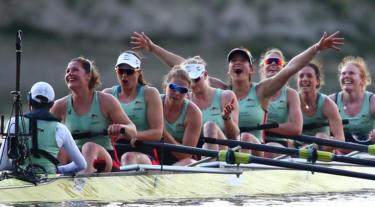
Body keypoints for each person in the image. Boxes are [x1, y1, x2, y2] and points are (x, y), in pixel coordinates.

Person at [130, 31, 344, 157]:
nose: (238, 63)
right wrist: (152, 47)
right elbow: (184, 67)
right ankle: (211, 168)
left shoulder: (262, 91)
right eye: (234, 61)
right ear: (229, 70)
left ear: (251, 70)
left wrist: (316, 47)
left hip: (254, 148)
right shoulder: (221, 90)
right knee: (211, 127)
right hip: (224, 149)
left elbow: (291, 68)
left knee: (246, 136)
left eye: (243, 61)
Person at [131, 32, 240, 151]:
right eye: (189, 80)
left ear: (205, 75)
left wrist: (227, 119)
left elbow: (234, 137)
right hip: (195, 153)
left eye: (196, 79)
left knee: (210, 126)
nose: (192, 84)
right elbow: (179, 69)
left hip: (223, 153)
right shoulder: (183, 97)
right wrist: (152, 48)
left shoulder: (225, 95)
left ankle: (208, 165)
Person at [51, 57, 137, 173]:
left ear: (88, 76)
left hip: (103, 157)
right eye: (67, 71)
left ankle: (82, 184)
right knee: (61, 149)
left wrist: (122, 128)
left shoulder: (106, 101)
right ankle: (55, 183)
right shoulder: (59, 106)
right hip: (74, 158)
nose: (69, 74)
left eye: (75, 70)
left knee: (89, 147)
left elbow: (133, 132)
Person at [0, 82, 87, 174]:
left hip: (21, 180)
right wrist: (59, 170)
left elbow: (2, 164)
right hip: (49, 181)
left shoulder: (14, 122)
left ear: (29, 99)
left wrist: (15, 166)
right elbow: (81, 164)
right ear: (52, 103)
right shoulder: (60, 128)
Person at [103, 51, 163, 166]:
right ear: (116, 71)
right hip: (114, 151)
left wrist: (127, 134)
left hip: (143, 150)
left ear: (138, 72)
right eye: (121, 71)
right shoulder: (107, 94)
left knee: (128, 158)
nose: (124, 75)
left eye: (129, 71)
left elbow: (157, 133)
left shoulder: (150, 93)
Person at [329, 56, 375, 144]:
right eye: (343, 73)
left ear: (362, 80)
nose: (346, 76)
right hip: (338, 148)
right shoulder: (331, 101)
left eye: (351, 73)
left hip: (366, 149)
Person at [296, 62, 345, 151]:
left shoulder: (327, 104)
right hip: (296, 148)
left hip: (321, 150)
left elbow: (340, 139)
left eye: (309, 76)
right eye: (301, 76)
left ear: (317, 81)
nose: (304, 79)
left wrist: (317, 147)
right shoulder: (292, 100)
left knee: (320, 136)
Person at [159, 66, 202, 165]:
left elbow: (186, 155)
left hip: (179, 160)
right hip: (153, 153)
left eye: (182, 90)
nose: (177, 93)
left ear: (187, 93)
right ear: (165, 86)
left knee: (190, 162)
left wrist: (163, 134)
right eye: (173, 87)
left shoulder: (194, 113)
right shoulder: (154, 102)